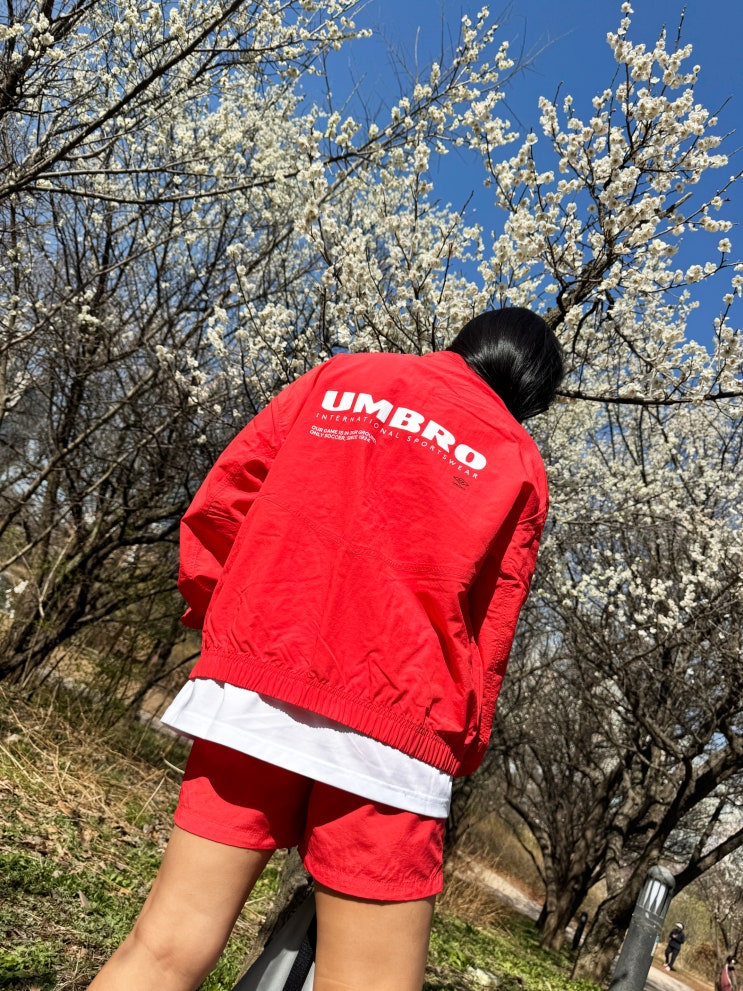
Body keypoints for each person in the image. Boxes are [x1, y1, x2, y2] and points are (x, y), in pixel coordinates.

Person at [88, 307, 564, 991]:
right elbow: (492, 622)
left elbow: (226, 498)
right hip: (395, 731)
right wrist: (461, 747)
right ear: (531, 394)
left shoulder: (341, 378)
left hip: (253, 689)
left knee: (162, 949)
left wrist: (227, 621)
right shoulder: (516, 459)